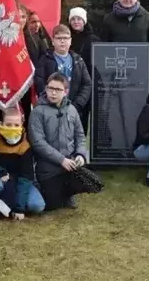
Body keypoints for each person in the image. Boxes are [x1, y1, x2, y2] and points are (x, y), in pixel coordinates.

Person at [29, 73, 99, 210]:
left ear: (65, 92)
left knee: (94, 183)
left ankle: (67, 193)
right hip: (48, 169)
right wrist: (61, 160)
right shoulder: (37, 111)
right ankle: (40, 187)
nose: (53, 93)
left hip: (70, 166)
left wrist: (80, 154)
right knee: (52, 205)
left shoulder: (72, 110)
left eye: (58, 89)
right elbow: (38, 142)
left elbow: (80, 135)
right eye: (50, 88)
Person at [0, 107, 46, 217]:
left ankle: (12, 204)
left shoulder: (26, 144)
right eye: (8, 125)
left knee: (37, 206)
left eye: (16, 125)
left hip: (21, 181)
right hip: (1, 179)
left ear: (22, 124)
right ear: (1, 123)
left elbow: (26, 177)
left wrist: (19, 208)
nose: (12, 128)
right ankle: (4, 204)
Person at [34, 24, 92, 132]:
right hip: (50, 110)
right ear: (52, 41)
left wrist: (76, 105)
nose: (62, 41)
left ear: (70, 41)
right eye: (59, 38)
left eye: (65, 38)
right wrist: (51, 101)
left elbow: (87, 84)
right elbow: (39, 82)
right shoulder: (45, 60)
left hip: (74, 110)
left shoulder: (78, 61)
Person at [100, 0, 149, 77]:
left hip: (141, 69)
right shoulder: (109, 19)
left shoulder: (147, 17)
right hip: (116, 69)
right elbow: (104, 46)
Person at [68, 7, 100, 75]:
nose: (76, 22)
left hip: (89, 75)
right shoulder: (66, 38)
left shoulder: (93, 40)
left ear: (84, 21)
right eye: (73, 19)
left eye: (79, 19)